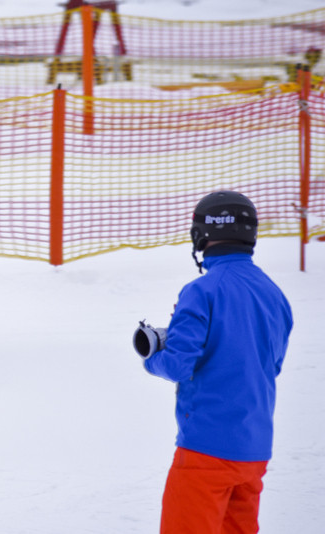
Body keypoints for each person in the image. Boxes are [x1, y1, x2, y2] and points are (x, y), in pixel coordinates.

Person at [132, 191, 293, 533]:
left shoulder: (202, 290)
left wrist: (153, 358)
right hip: (254, 449)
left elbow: (177, 365)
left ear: (201, 235)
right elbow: (271, 364)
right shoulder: (274, 294)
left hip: (205, 450)